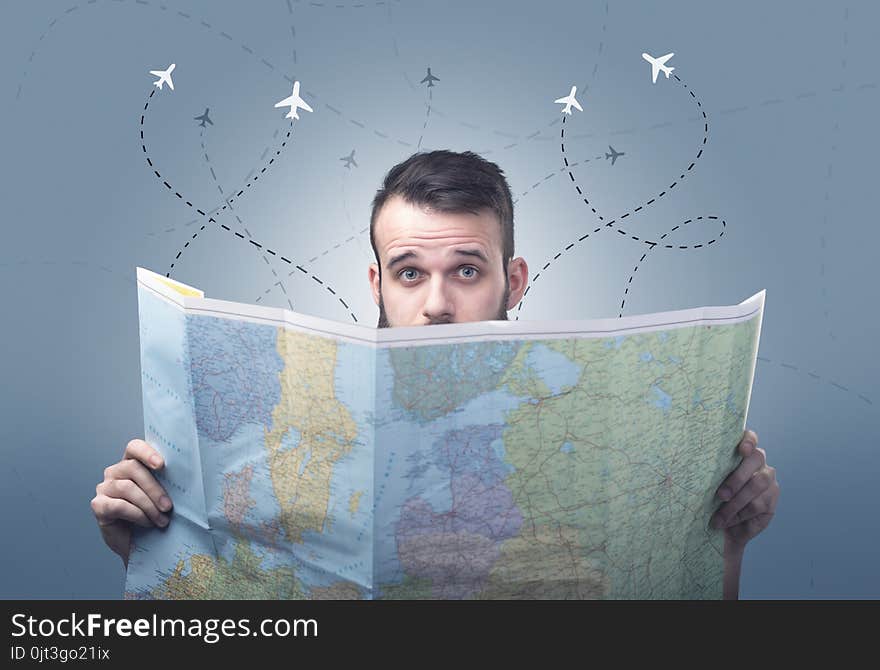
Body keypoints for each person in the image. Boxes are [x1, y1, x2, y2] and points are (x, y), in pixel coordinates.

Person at [92, 149, 780, 599]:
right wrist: (149, 546)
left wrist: (724, 544)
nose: (437, 304)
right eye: (410, 272)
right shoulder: (306, 420)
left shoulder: (594, 415)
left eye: (468, 271)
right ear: (377, 283)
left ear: (513, 282)